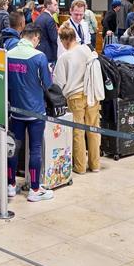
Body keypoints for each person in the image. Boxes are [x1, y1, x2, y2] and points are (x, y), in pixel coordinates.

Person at [7, 25, 55, 202]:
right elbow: (47, 84)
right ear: (35, 38)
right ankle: (34, 189)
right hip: (35, 111)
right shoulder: (39, 57)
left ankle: (10, 185)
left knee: (13, 148)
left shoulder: (8, 54)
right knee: (35, 149)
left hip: (15, 110)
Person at [53, 24, 103, 174]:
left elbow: (58, 83)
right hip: (92, 94)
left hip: (75, 97)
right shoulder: (87, 49)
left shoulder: (64, 57)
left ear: (64, 40)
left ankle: (80, 167)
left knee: (78, 132)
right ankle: (95, 165)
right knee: (93, 130)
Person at [34, 0, 59, 64]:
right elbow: (54, 38)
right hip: (49, 52)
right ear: (48, 6)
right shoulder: (50, 19)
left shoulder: (39, 17)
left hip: (39, 49)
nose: (57, 7)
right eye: (55, 5)